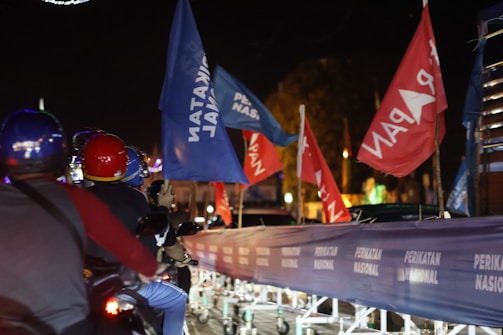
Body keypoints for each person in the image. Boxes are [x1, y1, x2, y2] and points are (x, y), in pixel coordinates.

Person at [0, 109, 162, 335]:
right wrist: (151, 268)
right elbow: (132, 252)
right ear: (59, 153)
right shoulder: (77, 198)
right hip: (68, 325)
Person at [81, 133, 189, 335]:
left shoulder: (78, 198)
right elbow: (162, 238)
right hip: (128, 283)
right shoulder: (137, 200)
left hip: (89, 286)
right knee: (178, 299)